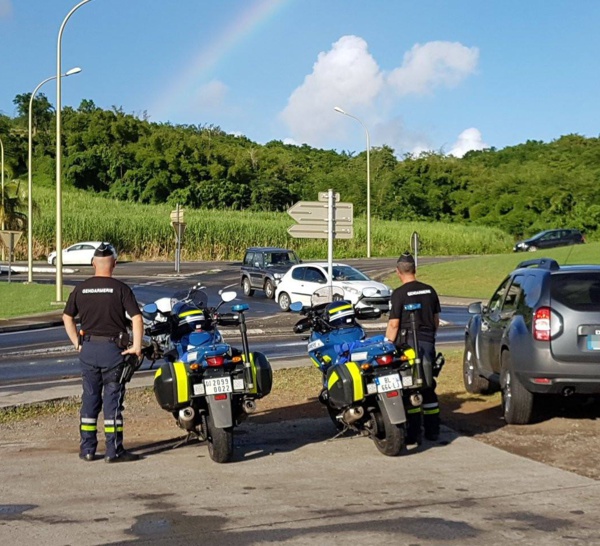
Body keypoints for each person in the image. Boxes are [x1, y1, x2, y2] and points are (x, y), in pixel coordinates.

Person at [62, 243, 144, 463]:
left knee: (89, 399)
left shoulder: (81, 289)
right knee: (112, 401)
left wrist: (76, 343)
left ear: (92, 264)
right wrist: (136, 346)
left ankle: (87, 449)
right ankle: (113, 450)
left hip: (88, 350)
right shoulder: (120, 289)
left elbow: (67, 316)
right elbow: (137, 318)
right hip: (113, 352)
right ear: (114, 264)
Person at [385, 252, 441, 444]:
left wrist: (387, 345)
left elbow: (394, 324)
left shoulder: (399, 294)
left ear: (397, 272)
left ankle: (413, 433)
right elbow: (435, 321)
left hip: (408, 344)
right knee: (428, 384)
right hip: (427, 342)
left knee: (410, 387)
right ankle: (433, 430)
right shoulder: (430, 291)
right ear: (415, 269)